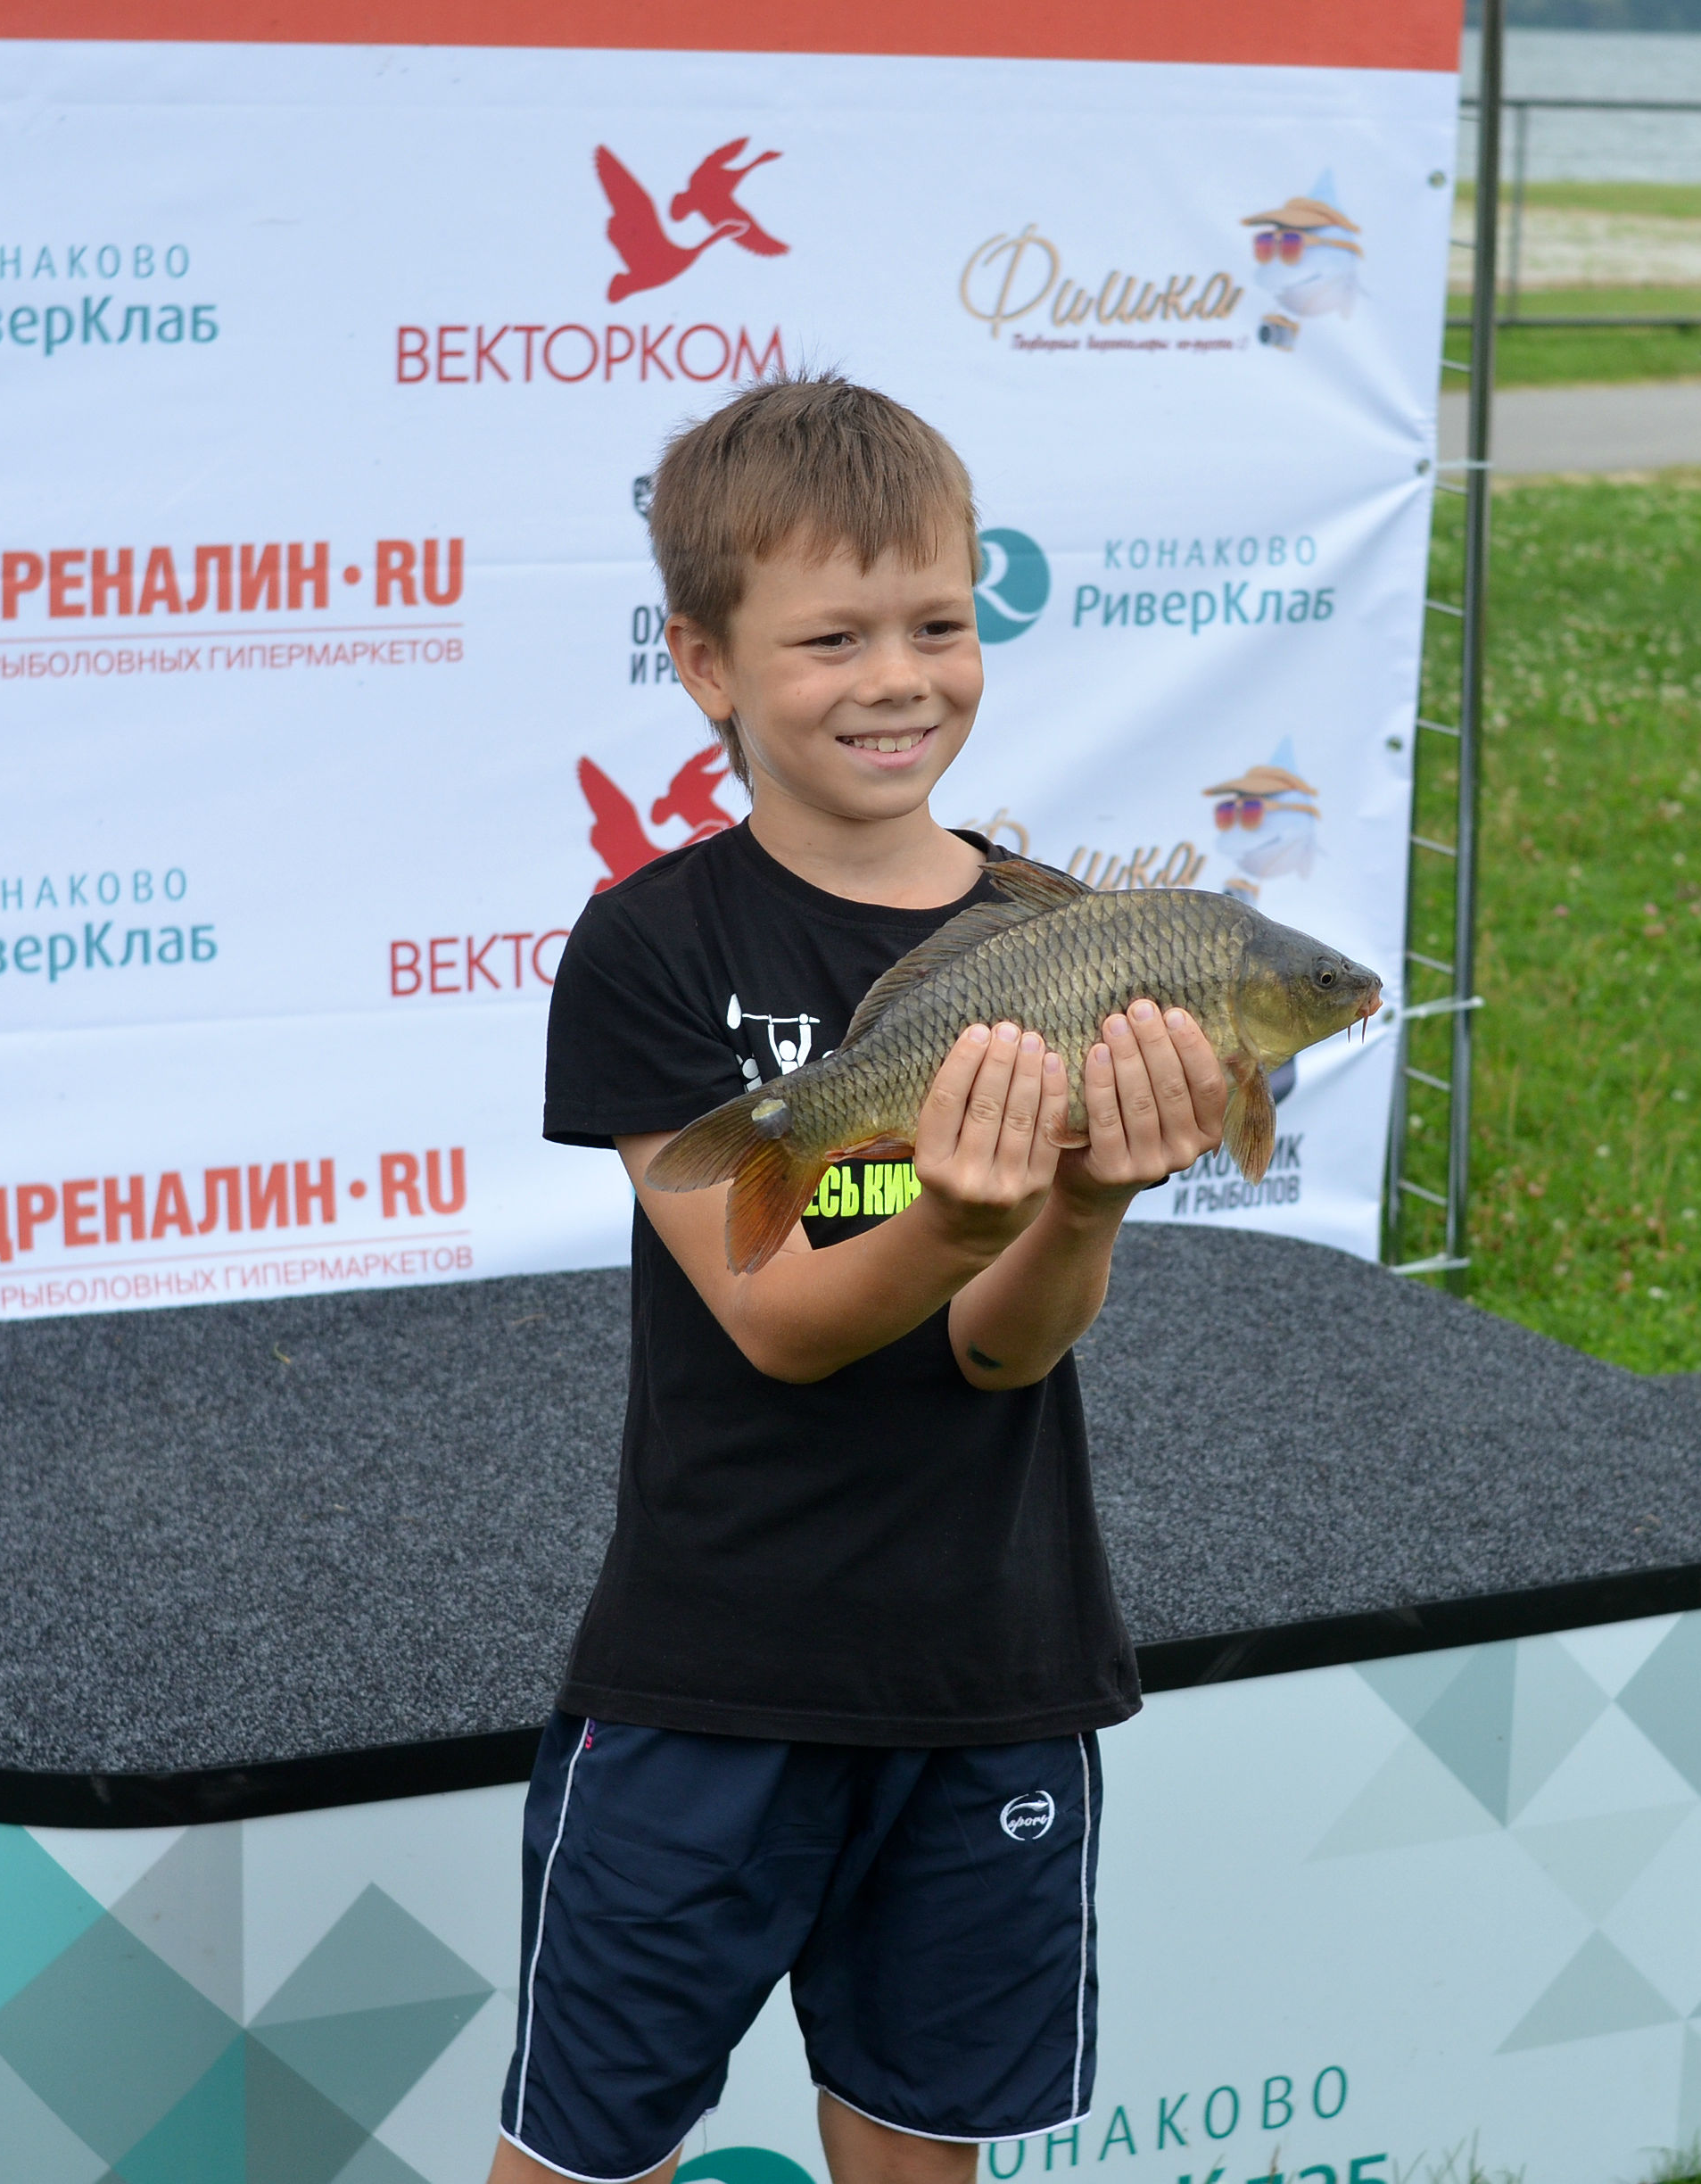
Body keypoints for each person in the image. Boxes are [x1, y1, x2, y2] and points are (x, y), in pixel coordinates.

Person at [509, 374, 1231, 2184]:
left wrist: (1078, 1212)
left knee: (925, 2151)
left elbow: (1007, 1358)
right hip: (711, 1670)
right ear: (707, 665)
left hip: (991, 1660)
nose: (899, 677)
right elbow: (775, 1318)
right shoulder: (651, 947)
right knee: (589, 2156)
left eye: (939, 623)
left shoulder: (1068, 939)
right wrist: (952, 1213)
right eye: (830, 637)